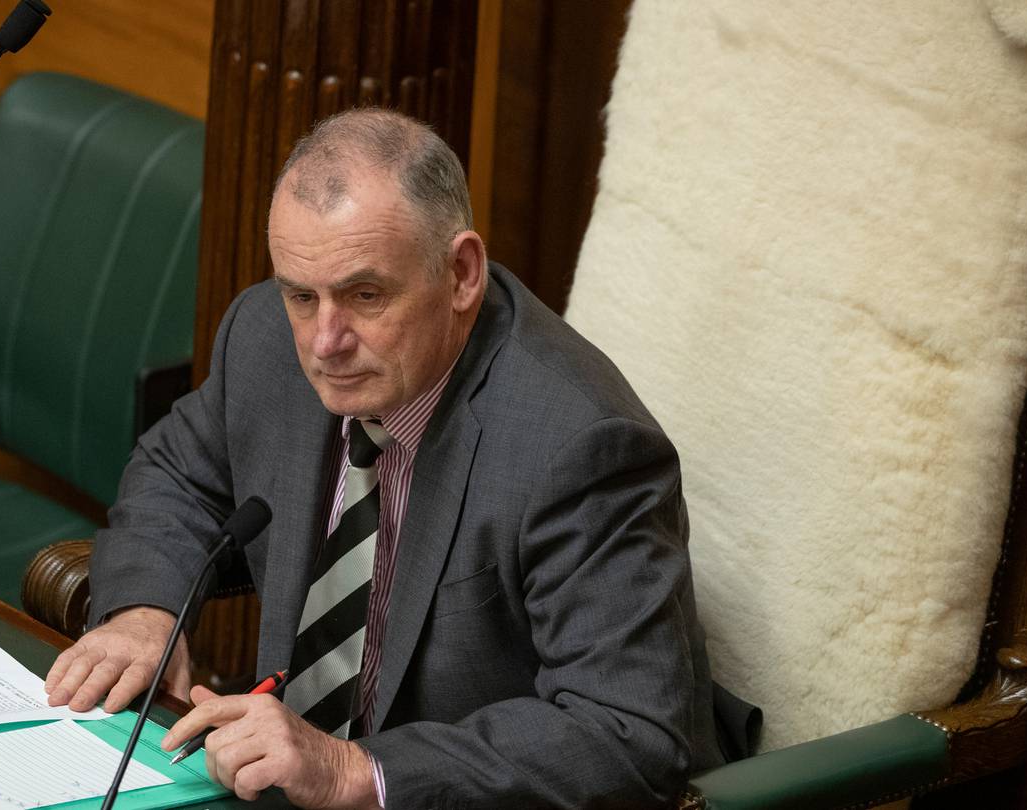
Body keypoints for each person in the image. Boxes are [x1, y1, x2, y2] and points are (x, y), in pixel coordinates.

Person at [44, 108, 723, 808]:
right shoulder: (266, 339)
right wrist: (144, 613)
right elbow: (177, 472)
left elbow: (625, 731)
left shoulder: (580, 448)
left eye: (365, 295)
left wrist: (349, 770)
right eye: (302, 296)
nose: (324, 341)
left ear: (461, 274)